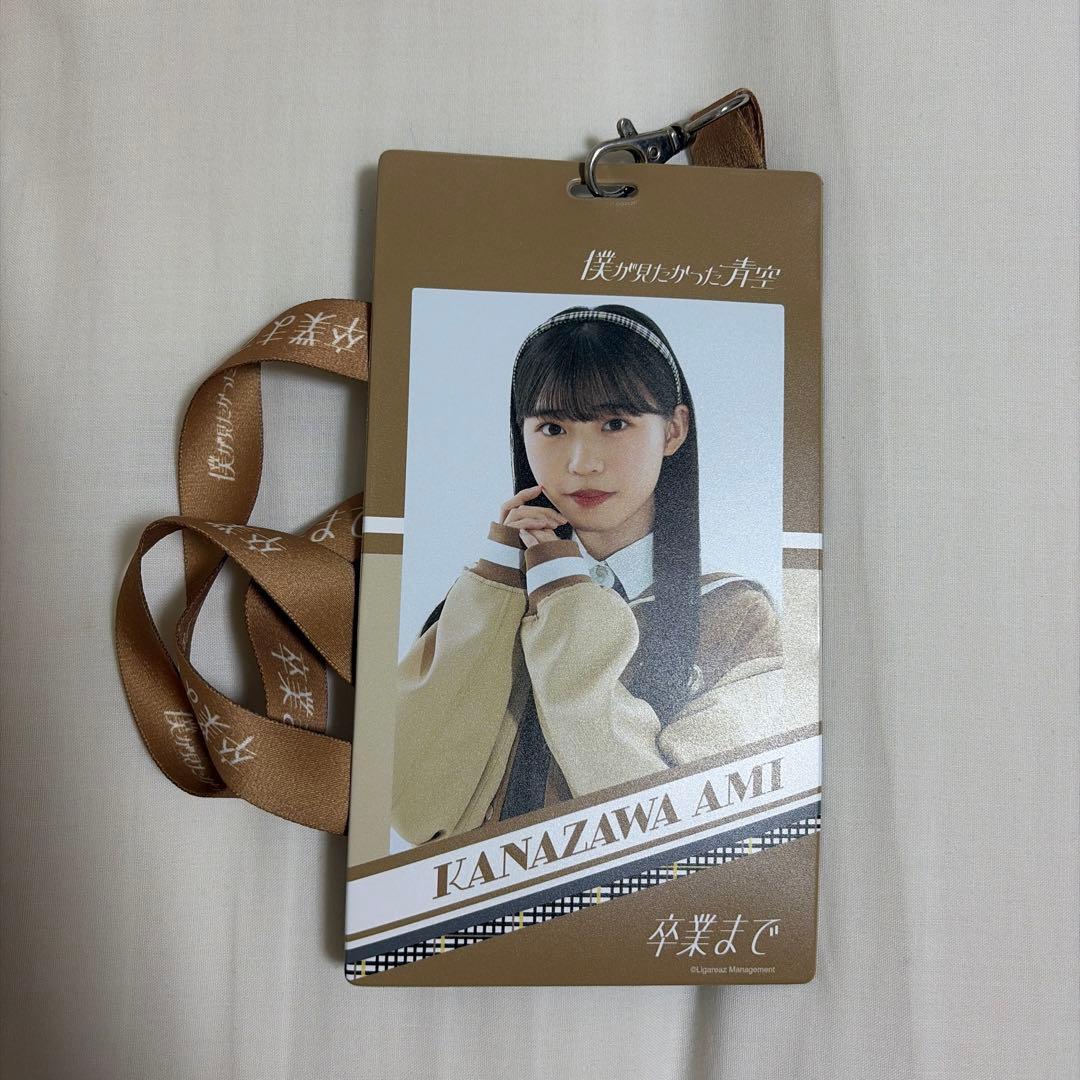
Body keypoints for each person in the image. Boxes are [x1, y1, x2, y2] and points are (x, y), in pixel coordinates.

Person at [391, 304, 787, 846]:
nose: (582, 461)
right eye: (553, 427)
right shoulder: (489, 597)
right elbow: (412, 810)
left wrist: (566, 596)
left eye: (614, 423)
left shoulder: (737, 615)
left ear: (673, 430)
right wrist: (497, 586)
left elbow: (675, 823)